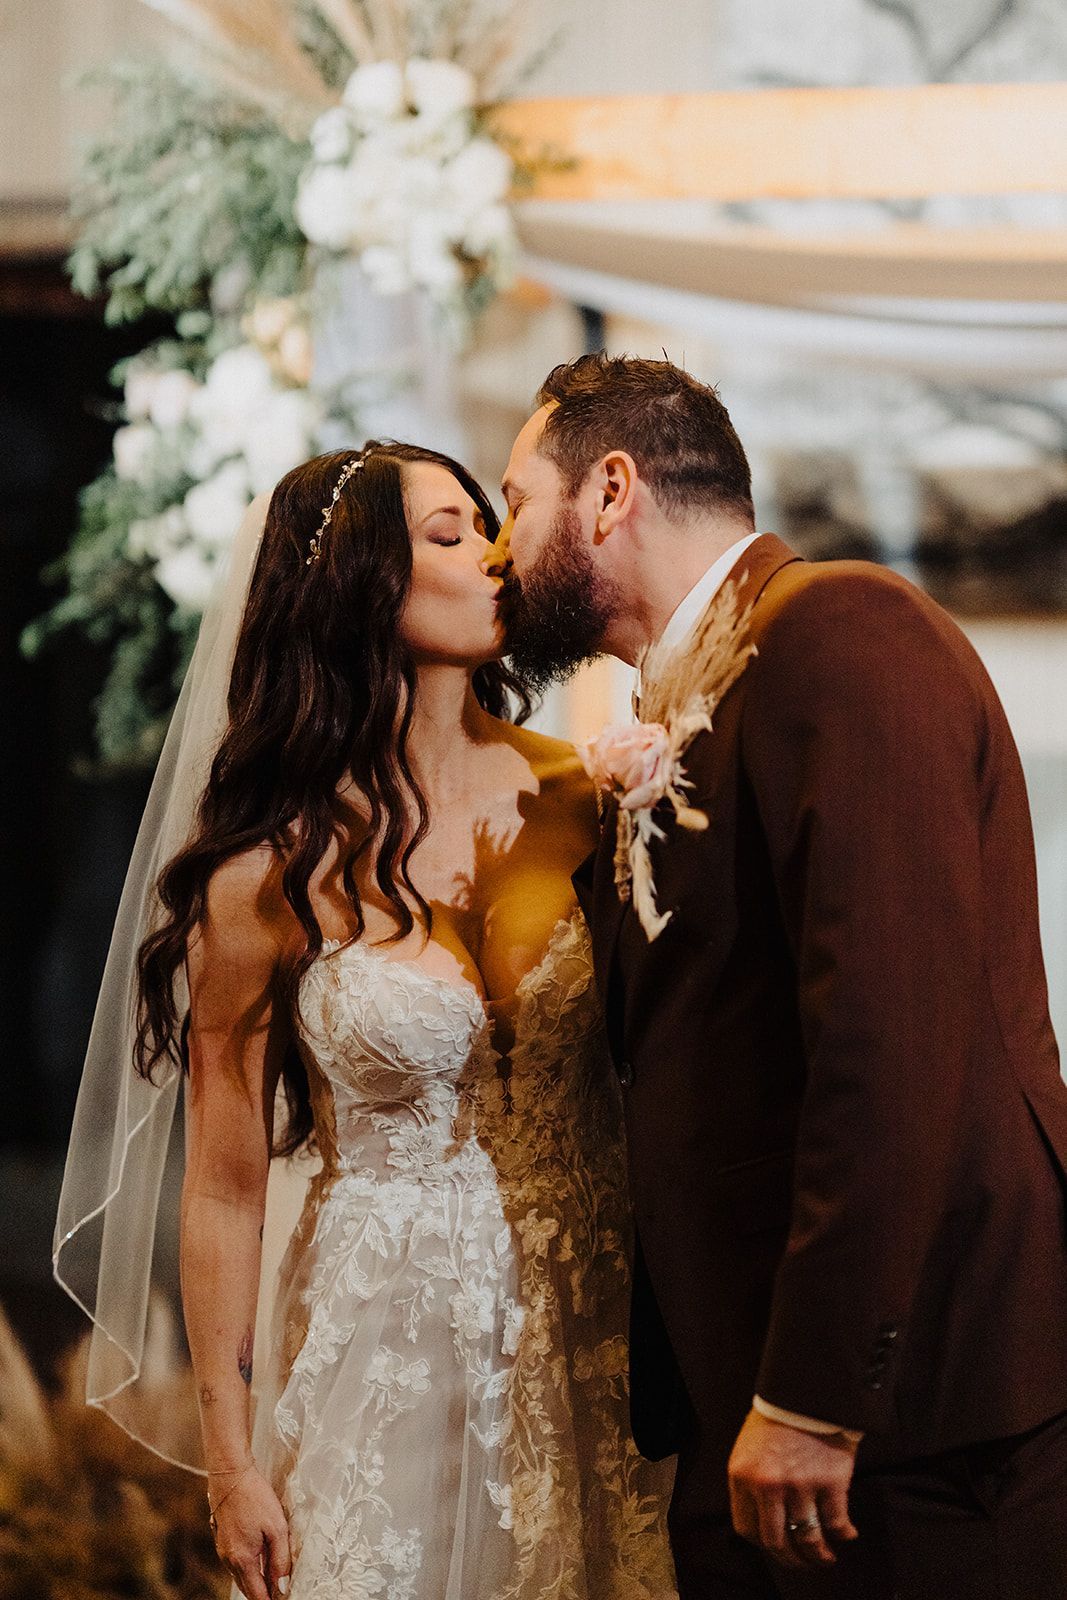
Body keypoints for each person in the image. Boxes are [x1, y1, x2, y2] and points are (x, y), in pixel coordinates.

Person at [54, 441, 677, 1600]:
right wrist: (230, 1465)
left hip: (591, 1324)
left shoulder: (588, 799)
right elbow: (226, 1183)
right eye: (449, 534)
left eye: (488, 523)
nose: (494, 554)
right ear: (356, 585)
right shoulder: (264, 871)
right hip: (386, 1339)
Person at [497, 352, 1067, 1600]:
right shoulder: (705, 678)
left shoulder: (840, 629)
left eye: (511, 502)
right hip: (750, 1395)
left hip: (902, 1420)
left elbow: (889, 1032)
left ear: (607, 491)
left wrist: (812, 1392)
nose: (499, 551)